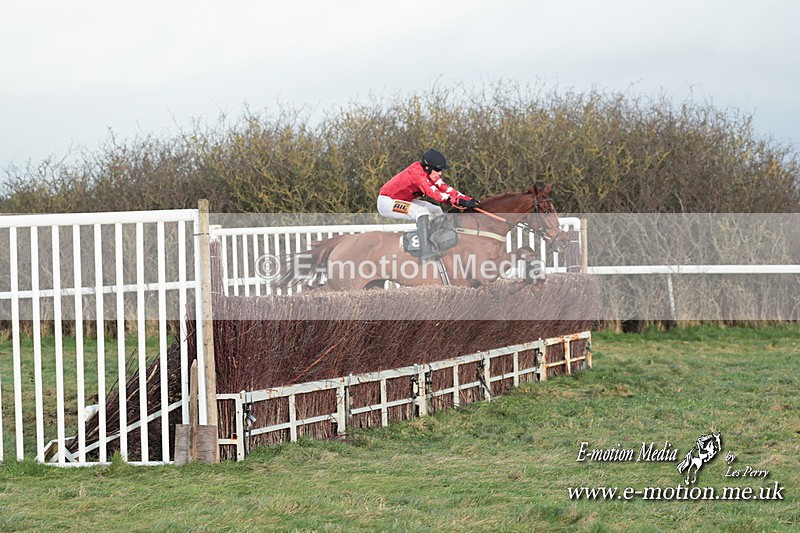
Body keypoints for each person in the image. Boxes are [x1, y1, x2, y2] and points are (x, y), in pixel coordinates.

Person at [378, 149, 479, 260]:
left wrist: (468, 200)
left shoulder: (430, 173)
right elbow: (433, 193)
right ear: (427, 167)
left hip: (404, 200)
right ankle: (426, 251)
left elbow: (446, 189)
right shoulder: (417, 175)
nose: (440, 173)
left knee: (436, 210)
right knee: (421, 212)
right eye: (437, 169)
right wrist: (457, 201)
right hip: (387, 202)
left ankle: (437, 242)